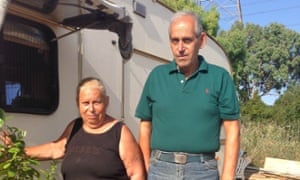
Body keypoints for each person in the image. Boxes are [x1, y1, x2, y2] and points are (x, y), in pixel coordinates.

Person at [135, 10, 240, 180]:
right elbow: (145, 125)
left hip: (203, 172)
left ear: (202, 40)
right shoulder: (156, 76)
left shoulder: (219, 77)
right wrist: (146, 166)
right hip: (160, 170)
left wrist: (228, 175)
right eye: (175, 41)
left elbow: (233, 129)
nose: (180, 48)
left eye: (187, 40)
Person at [1, 77, 146, 180]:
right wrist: (18, 152)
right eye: (85, 103)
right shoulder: (75, 127)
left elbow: (136, 174)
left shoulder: (120, 132)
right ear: (78, 104)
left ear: (106, 102)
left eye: (96, 102)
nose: (91, 109)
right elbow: (55, 149)